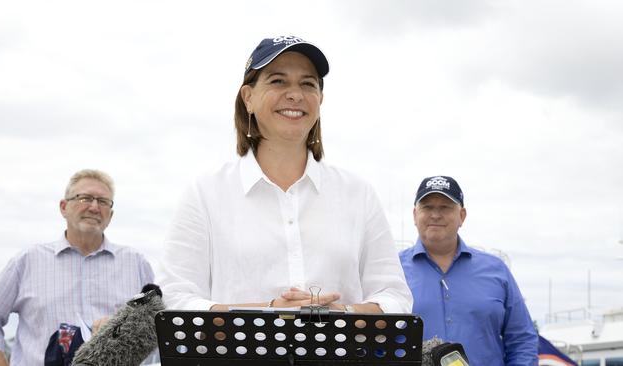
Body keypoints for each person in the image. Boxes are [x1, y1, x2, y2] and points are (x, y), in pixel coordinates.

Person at [159, 35, 412, 314]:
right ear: (248, 98)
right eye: (278, 81)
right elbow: (174, 298)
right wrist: (270, 311)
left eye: (308, 83)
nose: (295, 94)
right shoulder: (205, 193)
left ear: (320, 100)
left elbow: (395, 298)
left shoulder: (358, 194)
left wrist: (339, 315)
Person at [0, 169, 155, 366]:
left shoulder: (136, 264)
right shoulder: (28, 261)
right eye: (84, 198)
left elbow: (157, 327)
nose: (94, 207)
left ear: (110, 215)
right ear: (63, 207)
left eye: (103, 201)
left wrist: (123, 330)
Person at [399, 176, 538, 365]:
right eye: (427, 207)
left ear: (462, 216)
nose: (435, 215)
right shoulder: (392, 270)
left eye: (445, 207)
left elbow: (522, 341)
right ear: (415, 215)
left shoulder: (497, 271)